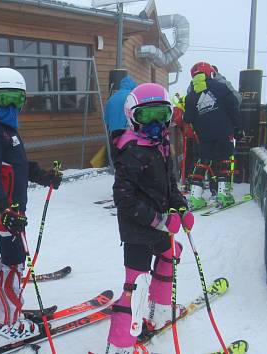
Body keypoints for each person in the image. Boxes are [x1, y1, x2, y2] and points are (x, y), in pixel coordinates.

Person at [0, 68, 62, 347]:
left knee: (9, 259)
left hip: (9, 212)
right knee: (15, 262)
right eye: (4, 99)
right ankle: (9, 323)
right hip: (3, 212)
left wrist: (44, 175)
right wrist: (3, 210)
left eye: (16, 99)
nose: (10, 106)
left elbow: (19, 166)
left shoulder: (7, 130)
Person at [105, 83, 193, 354]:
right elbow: (124, 198)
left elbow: (170, 186)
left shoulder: (162, 147)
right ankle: (120, 345)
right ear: (133, 117)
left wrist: (181, 208)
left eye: (161, 115)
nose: (155, 123)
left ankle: (159, 311)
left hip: (160, 226)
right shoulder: (130, 150)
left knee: (170, 255)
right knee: (136, 285)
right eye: (147, 116)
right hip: (137, 230)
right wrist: (161, 220)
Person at [184, 61, 244, 210]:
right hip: (224, 132)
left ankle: (195, 197)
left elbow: (187, 118)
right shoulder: (221, 88)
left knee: (202, 161)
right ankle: (224, 195)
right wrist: (238, 128)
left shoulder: (191, 96)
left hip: (204, 136)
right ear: (209, 73)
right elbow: (233, 108)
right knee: (225, 159)